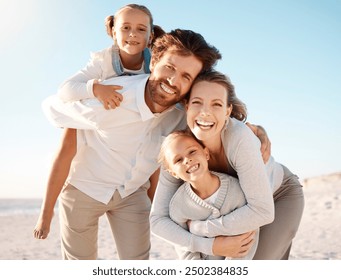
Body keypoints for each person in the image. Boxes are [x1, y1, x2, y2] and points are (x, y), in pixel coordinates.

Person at [41, 28, 223, 260]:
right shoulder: (111, 98)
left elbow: (219, 114)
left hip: (132, 193)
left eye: (186, 77)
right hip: (85, 188)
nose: (173, 80)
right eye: (169, 67)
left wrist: (253, 129)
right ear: (154, 61)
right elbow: (51, 107)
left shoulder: (182, 115)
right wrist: (89, 93)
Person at [34, 4, 164, 241]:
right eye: (125, 28)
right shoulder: (104, 61)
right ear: (113, 32)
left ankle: (156, 208)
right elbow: (65, 89)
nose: (133, 34)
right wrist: (95, 88)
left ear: (149, 36)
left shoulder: (155, 62)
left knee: (154, 147)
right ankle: (45, 213)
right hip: (100, 115)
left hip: (136, 124)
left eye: (140, 29)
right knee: (67, 145)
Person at [150, 70, 305, 260]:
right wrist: (210, 245)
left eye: (216, 104)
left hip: (279, 196)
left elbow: (262, 211)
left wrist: (201, 228)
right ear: (186, 106)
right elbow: (158, 220)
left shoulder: (239, 138)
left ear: (227, 111)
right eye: (197, 102)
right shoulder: (178, 148)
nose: (205, 112)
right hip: (237, 209)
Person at [158, 129, 259, 260]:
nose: (187, 160)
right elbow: (185, 249)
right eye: (178, 160)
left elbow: (247, 239)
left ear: (206, 153)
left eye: (192, 151)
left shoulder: (237, 191)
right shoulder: (178, 206)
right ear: (173, 173)